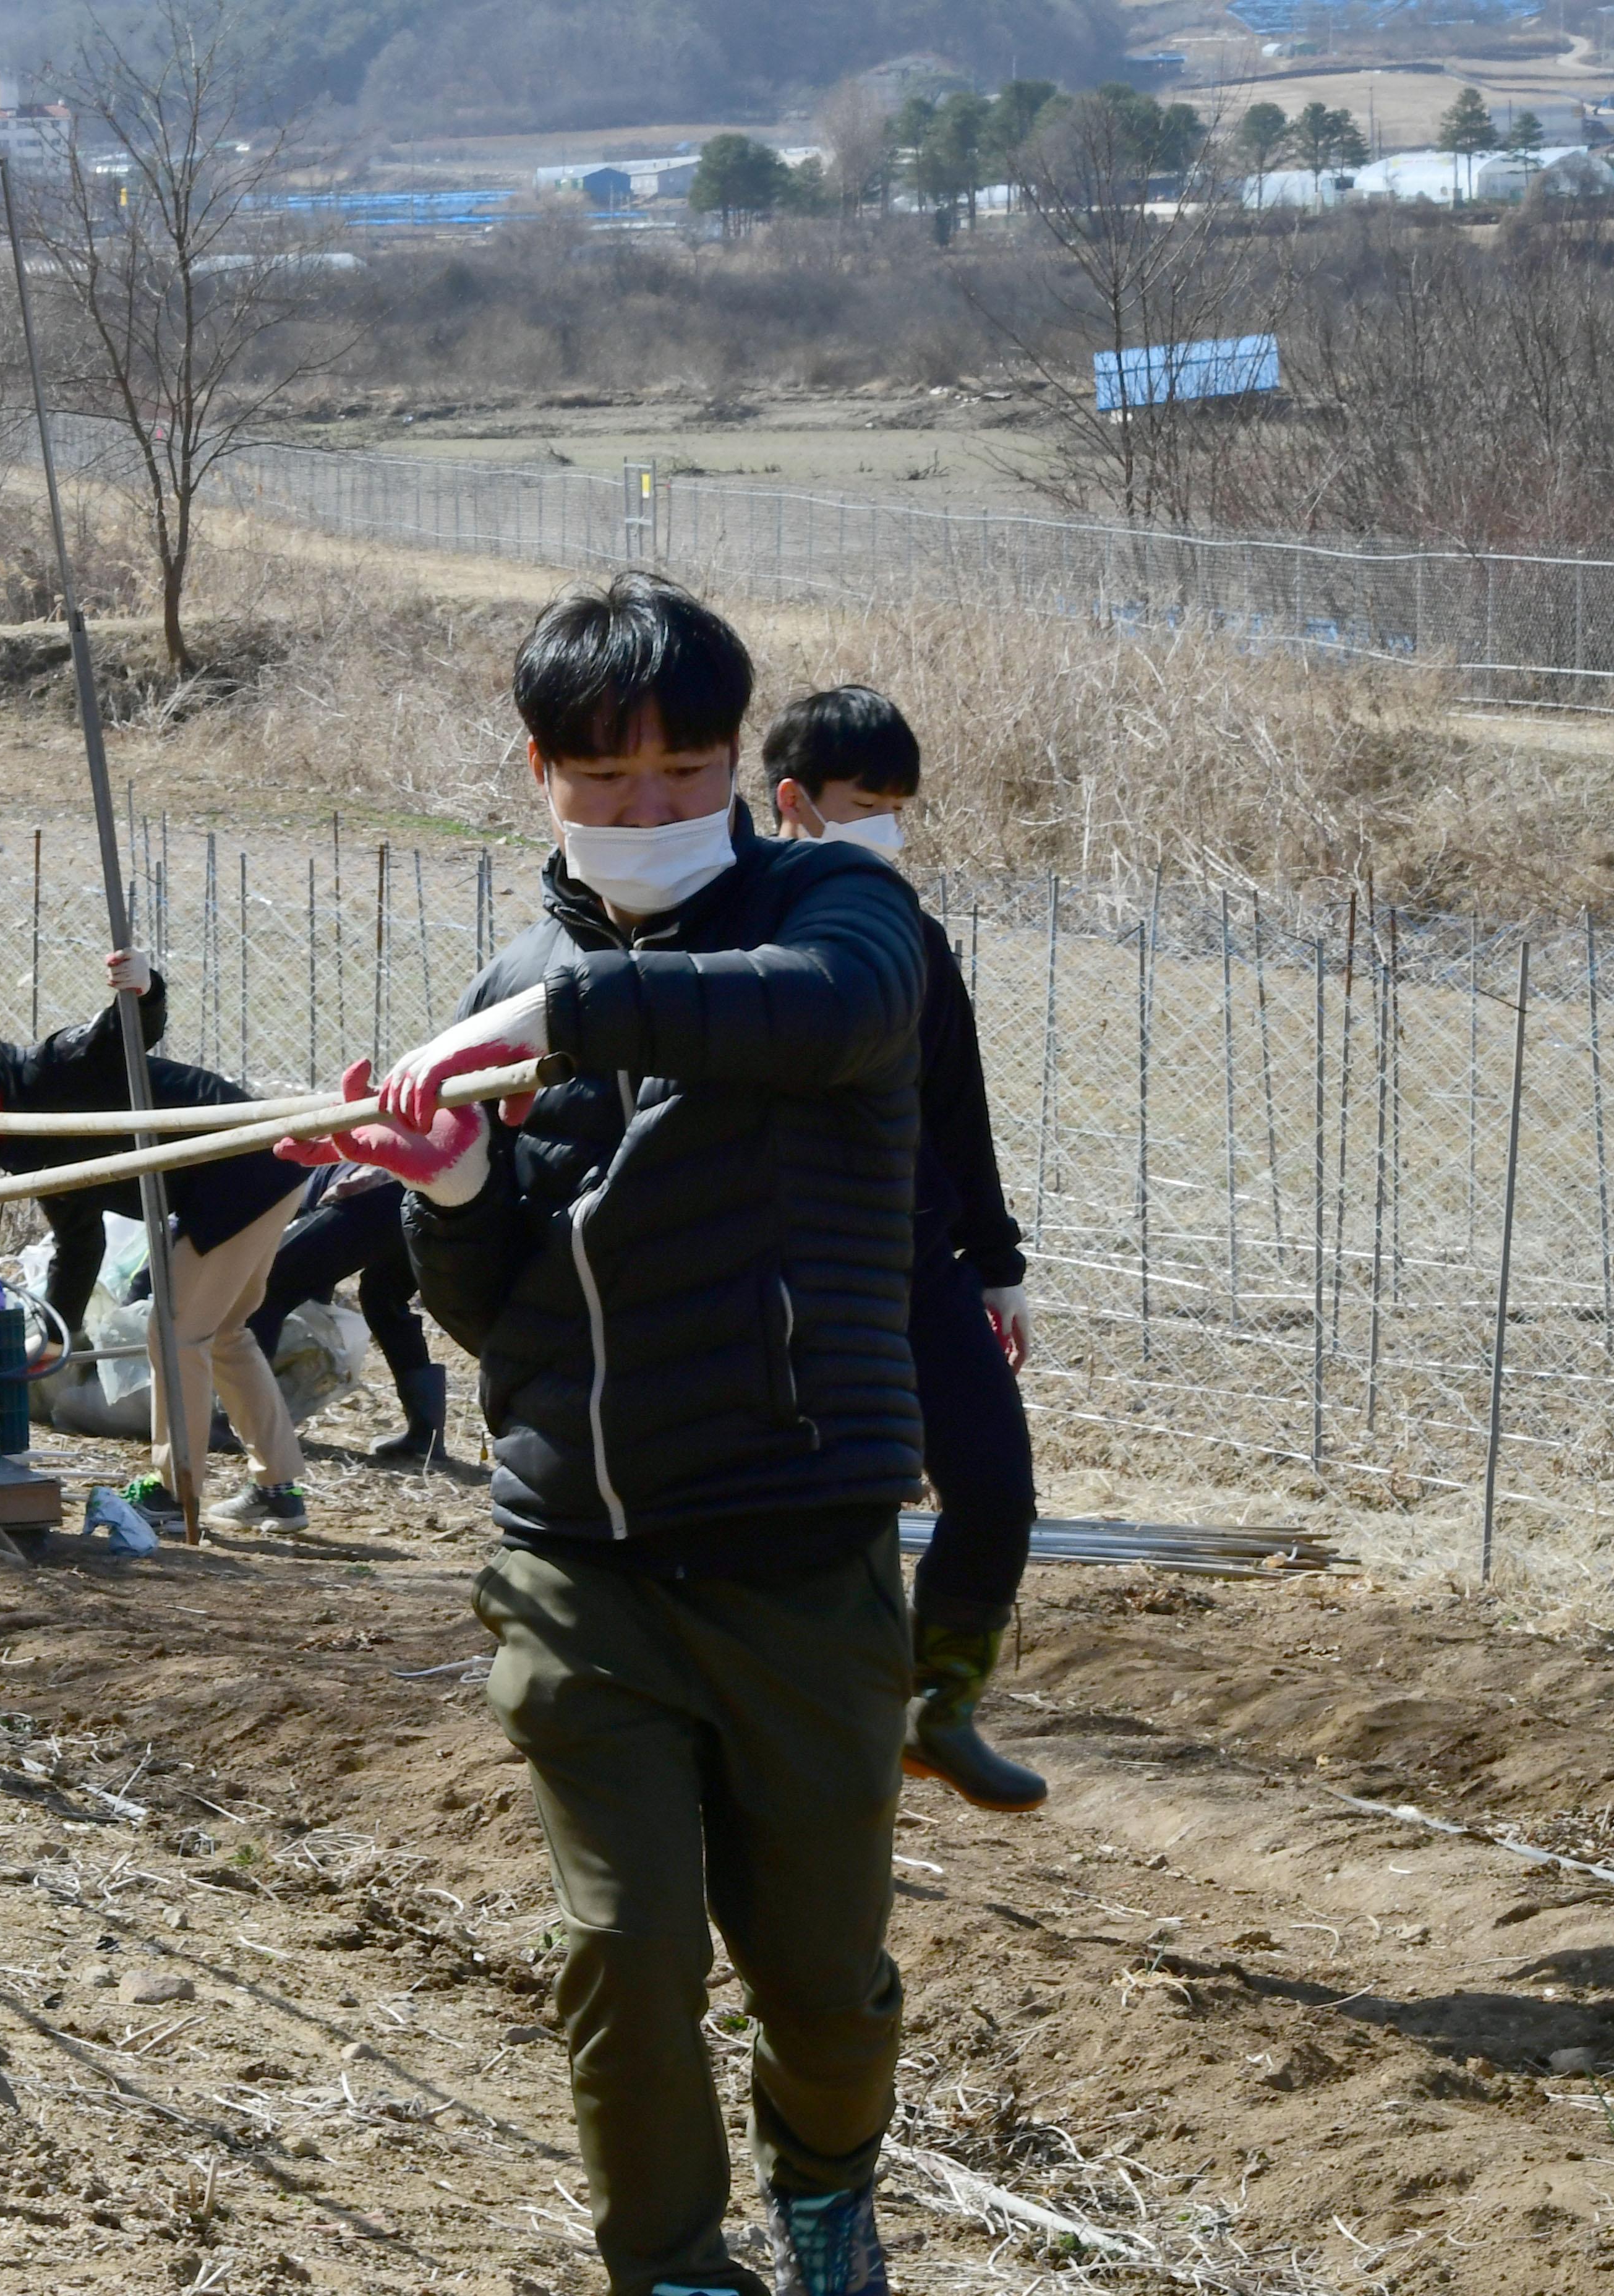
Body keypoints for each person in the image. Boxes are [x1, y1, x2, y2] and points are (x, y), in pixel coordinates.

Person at [289, 573, 923, 2296]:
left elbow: (823, 1018)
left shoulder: (845, 921)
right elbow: (502, 1315)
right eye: (605, 779)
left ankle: (826, 2179)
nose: (647, 812)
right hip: (581, 1562)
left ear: (741, 766)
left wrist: (555, 1023)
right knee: (624, 1953)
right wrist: (453, 1182)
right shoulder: (516, 979)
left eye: (685, 774)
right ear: (537, 770)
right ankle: (671, 2265)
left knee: (821, 1980)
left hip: (802, 1549)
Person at [766, 685, 1045, 1814]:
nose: (883, 826)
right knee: (830, 1513)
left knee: (994, 1487)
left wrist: (998, 1260)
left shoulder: (913, 937)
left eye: (896, 806)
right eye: (859, 804)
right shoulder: (737, 929)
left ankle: (941, 1704)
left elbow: (956, 1105)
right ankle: (801, 1736)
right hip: (788, 1268)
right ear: (793, 803)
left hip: (920, 1262)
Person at [0, 954, 314, 1530]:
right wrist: (53, 1344)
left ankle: (176, 1492)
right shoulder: (30, 1141)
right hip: (261, 1173)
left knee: (174, 1332)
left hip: (241, 1170)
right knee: (222, 1332)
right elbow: (78, 1245)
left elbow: (122, 1030)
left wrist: (146, 989)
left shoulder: (55, 1068)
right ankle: (276, 1488)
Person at [245, 1163, 453, 1468]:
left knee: (266, 1286)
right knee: (383, 1298)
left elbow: (306, 1275)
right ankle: (426, 1437)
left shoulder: (278, 1188)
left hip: (376, 1189)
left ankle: (239, 1422)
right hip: (432, 1193)